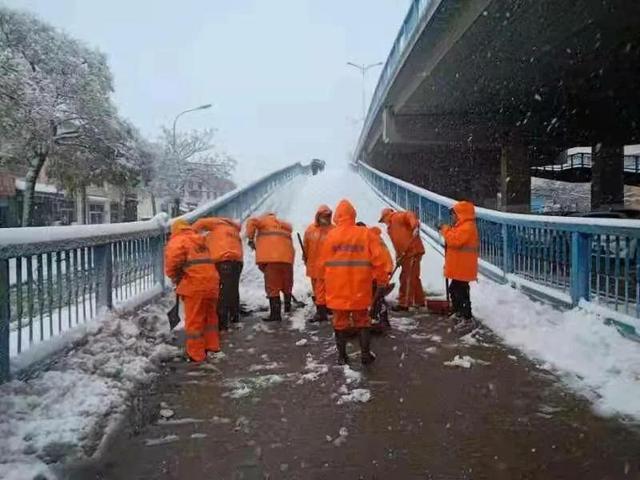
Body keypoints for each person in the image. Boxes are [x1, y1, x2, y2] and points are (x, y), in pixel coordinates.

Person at [320, 200, 387, 365]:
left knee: (340, 323)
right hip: (360, 287)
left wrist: (323, 287)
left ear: (337, 216)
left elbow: (322, 264)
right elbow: (379, 259)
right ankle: (365, 355)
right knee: (363, 321)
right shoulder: (365, 234)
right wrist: (381, 281)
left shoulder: (330, 236)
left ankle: (342, 356)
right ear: (353, 215)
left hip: (337, 289)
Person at [165, 219, 220, 362]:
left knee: (194, 320)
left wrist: (175, 277)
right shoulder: (200, 240)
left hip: (195, 284)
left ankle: (196, 354)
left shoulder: (178, 241)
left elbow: (173, 263)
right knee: (210, 318)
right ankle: (212, 347)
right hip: (212, 283)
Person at [192, 216, 243, 330]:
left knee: (222, 291)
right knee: (232, 289)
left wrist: (190, 234)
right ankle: (234, 316)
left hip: (223, 259)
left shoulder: (217, 224)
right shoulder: (233, 230)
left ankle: (222, 321)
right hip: (237, 261)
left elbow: (200, 223)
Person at [245, 212, 295, 322]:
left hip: (272, 259)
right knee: (287, 284)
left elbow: (251, 222)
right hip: (287, 259)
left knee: (273, 287)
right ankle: (287, 308)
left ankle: (275, 314)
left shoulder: (263, 221)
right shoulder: (284, 226)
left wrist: (250, 239)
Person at [440, 201, 479, 333]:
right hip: (460, 266)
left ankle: (467, 318)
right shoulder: (461, 226)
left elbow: (455, 241)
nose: (453, 217)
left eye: (454, 214)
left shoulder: (467, 227)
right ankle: (459, 313)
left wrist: (445, 230)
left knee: (461, 292)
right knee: (455, 289)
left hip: (464, 267)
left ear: (461, 214)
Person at [379, 207, 426, 311]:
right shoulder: (390, 229)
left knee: (406, 278)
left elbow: (409, 215)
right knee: (413, 277)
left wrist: (415, 226)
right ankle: (419, 301)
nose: (384, 222)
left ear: (387, 215)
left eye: (383, 219)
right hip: (405, 255)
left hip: (412, 251)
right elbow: (397, 245)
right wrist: (398, 257)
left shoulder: (396, 217)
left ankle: (404, 303)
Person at [303, 204, 334, 323]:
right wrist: (304, 256)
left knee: (322, 290)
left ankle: (322, 313)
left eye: (328, 216)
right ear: (318, 216)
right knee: (317, 289)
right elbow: (306, 246)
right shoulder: (310, 230)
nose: (326, 218)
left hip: (327, 267)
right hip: (313, 265)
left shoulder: (333, 230)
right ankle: (325, 308)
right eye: (324, 216)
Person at [367, 225, 394, 330]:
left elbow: (374, 259)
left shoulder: (370, 240)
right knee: (378, 297)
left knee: (377, 297)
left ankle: (380, 320)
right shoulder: (377, 238)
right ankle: (380, 319)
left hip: (379, 271)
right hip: (385, 268)